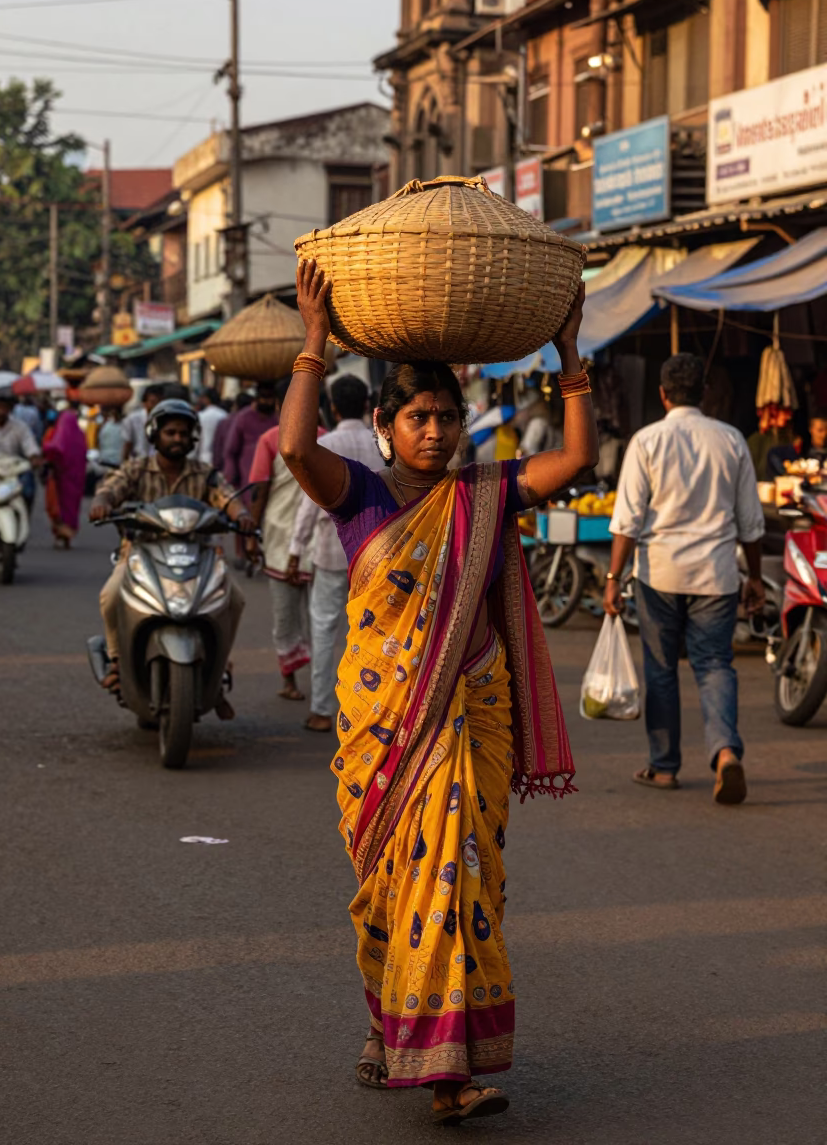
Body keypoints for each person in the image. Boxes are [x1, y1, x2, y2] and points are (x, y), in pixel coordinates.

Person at [278, 258, 597, 1124]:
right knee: (392, 890)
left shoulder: (485, 496)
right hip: (385, 731)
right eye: (419, 417)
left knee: (462, 883)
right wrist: (314, 344)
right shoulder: (364, 500)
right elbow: (296, 447)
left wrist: (569, 349)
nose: (437, 431)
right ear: (383, 424)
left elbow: (575, 456)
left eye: (450, 417)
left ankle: (449, 1070)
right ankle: (396, 1027)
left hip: (474, 718)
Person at [604, 353, 766, 806]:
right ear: (705, 393)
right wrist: (754, 576)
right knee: (714, 666)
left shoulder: (647, 441)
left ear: (662, 393)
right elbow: (751, 522)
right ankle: (726, 752)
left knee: (661, 670)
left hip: (661, 573)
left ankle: (663, 766)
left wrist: (614, 577)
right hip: (716, 573)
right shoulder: (731, 440)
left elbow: (628, 521)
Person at [90, 399, 257, 695]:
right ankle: (117, 661)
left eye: (183, 433)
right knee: (110, 595)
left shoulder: (204, 473)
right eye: (171, 432)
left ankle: (219, 665)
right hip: (142, 553)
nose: (178, 439)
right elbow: (110, 489)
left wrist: (241, 516)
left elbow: (227, 498)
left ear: (193, 437)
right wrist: (102, 503)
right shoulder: (136, 469)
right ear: (155, 434)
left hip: (198, 554)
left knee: (236, 600)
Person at [287, 374, 383, 729]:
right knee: (372, 631)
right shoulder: (381, 445)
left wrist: (296, 548)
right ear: (365, 406)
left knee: (325, 629)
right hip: (376, 551)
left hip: (330, 551)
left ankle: (324, 710)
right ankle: (369, 709)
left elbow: (310, 501)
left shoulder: (325, 445)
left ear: (333, 407)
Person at [248, 379, 325, 701]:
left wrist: (251, 534)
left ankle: (292, 681)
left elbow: (259, 490)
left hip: (283, 537)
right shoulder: (323, 438)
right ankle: (318, 685)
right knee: (319, 616)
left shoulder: (270, 439)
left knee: (286, 615)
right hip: (317, 537)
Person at [225, 382, 281, 569]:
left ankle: (264, 554)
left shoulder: (277, 418)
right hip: (246, 477)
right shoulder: (242, 418)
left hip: (273, 476)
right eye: (263, 397)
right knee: (243, 516)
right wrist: (230, 477)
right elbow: (231, 451)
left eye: (270, 397)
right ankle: (242, 554)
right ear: (256, 398)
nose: (266, 401)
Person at [42, 405, 87, 548]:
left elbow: (53, 449)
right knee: (71, 508)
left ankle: (59, 535)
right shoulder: (80, 436)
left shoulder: (57, 435)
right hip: (76, 479)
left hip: (59, 477)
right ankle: (67, 536)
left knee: (57, 506)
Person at [121, 384, 164, 461]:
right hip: (137, 461)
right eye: (153, 402)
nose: (156, 406)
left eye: (159, 403)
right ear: (144, 403)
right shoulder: (132, 419)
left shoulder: (164, 420)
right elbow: (128, 444)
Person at [211, 391, 251, 473]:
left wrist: (216, 466)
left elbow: (218, 446)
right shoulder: (252, 421)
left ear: (235, 405)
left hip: (227, 470)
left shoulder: (226, 421)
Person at [196, 387, 228, 465]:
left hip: (203, 457)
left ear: (207, 399)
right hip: (221, 458)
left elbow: (197, 439)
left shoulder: (201, 416)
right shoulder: (224, 415)